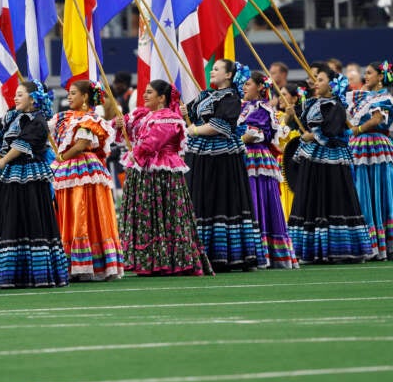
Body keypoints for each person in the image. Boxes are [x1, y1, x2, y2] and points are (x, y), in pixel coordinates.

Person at [111, 79, 211, 276]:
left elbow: (152, 143)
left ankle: (171, 260)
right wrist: (120, 124)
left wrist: (136, 154)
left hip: (162, 175)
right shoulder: (145, 115)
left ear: (162, 98)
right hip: (146, 172)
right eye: (145, 91)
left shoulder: (168, 118)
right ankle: (150, 261)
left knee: (164, 214)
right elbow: (129, 132)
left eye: (150, 92)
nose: (145, 95)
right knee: (148, 215)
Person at [0, 81, 68, 288]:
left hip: (28, 174)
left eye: (20, 95)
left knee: (25, 218)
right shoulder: (13, 115)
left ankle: (27, 274)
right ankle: (1, 272)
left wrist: (4, 160)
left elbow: (23, 145)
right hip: (9, 174)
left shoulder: (39, 121)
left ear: (33, 99)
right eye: (15, 95)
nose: (15, 98)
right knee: (2, 218)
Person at [181, 59, 267, 271]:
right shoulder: (206, 95)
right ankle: (198, 251)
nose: (212, 72)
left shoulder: (231, 97)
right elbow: (191, 117)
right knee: (199, 197)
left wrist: (194, 130)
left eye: (217, 69)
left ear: (229, 75)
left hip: (222, 156)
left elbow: (219, 127)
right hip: (200, 154)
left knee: (219, 199)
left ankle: (223, 254)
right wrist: (184, 112)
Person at [288, 64, 373, 263]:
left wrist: (313, 135)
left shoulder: (335, 106)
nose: (316, 83)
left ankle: (337, 249)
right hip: (313, 158)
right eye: (315, 79)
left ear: (332, 85)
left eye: (320, 80)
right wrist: (292, 115)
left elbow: (331, 130)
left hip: (332, 159)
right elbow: (298, 123)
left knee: (332, 198)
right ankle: (310, 250)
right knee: (311, 198)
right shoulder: (312, 103)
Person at [49, 80, 124, 281]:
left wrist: (62, 157)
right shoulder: (64, 117)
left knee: (83, 211)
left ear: (85, 97)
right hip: (68, 169)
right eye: (69, 93)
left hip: (83, 168)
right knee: (69, 212)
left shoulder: (90, 119)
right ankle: (73, 263)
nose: (69, 97)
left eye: (74, 93)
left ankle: (89, 263)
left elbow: (81, 144)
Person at [240, 72, 298, 269]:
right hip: (245, 157)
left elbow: (251, 135)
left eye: (248, 84)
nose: (244, 87)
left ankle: (262, 251)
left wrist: (231, 142)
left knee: (257, 200)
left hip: (255, 159)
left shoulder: (261, 108)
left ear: (260, 87)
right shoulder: (243, 107)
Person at [346, 61, 393, 260]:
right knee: (361, 190)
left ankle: (380, 243)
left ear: (381, 77)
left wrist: (357, 130)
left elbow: (376, 120)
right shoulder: (362, 96)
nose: (367, 76)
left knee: (377, 190)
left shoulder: (385, 97)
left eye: (370, 73)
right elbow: (351, 120)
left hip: (375, 145)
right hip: (360, 147)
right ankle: (367, 241)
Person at [276, 81, 307, 220]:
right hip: (280, 163)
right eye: (279, 95)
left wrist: (291, 116)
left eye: (284, 94)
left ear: (295, 98)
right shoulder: (276, 116)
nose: (280, 98)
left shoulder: (301, 119)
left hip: (294, 162)